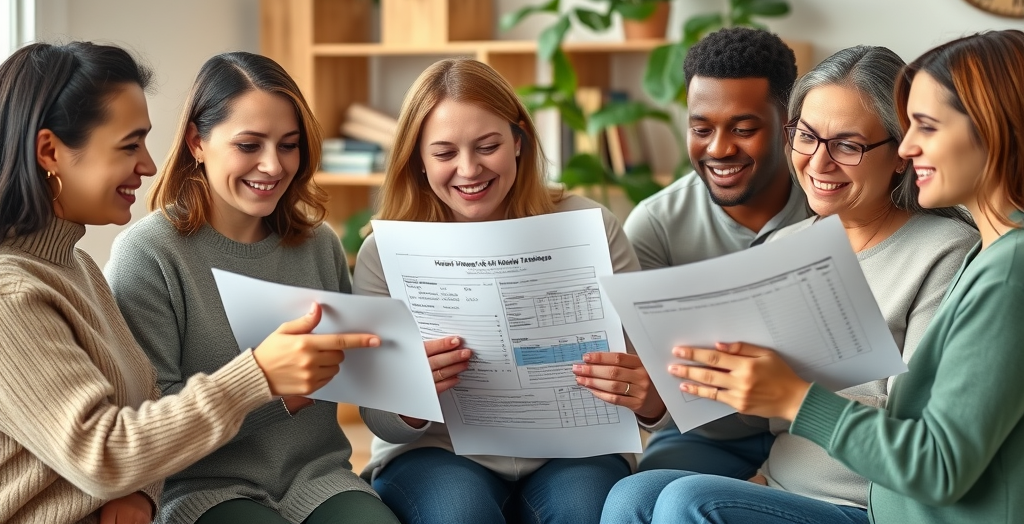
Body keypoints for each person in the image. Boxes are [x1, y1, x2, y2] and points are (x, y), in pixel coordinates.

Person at [627, 30, 1024, 523]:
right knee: (635, 495)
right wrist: (670, 393)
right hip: (782, 483)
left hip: (865, 502)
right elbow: (753, 415)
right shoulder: (787, 246)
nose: (817, 162)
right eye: (807, 136)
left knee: (686, 502)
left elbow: (924, 437)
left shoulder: (953, 254)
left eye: (848, 145)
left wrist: (792, 392)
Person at [0, 42, 380, 524]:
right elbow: (105, 452)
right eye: (129, 144)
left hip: (308, 479)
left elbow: (141, 415)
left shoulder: (74, 268)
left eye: (289, 144)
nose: (149, 164)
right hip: (201, 492)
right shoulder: (15, 293)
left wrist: (140, 493)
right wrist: (261, 377)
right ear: (50, 151)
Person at [352, 58, 662, 524]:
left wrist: (647, 395)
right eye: (443, 153)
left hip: (574, 446)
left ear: (519, 141)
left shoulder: (592, 226)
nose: (468, 169)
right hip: (439, 450)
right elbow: (380, 418)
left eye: (487, 146)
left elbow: (651, 391)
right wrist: (412, 396)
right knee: (459, 516)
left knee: (584, 512)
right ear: (417, 157)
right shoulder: (385, 251)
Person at [104, 52, 399, 524]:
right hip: (203, 488)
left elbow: (361, 378)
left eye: (288, 144)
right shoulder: (148, 254)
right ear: (197, 142)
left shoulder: (319, 244)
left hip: (320, 478)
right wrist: (275, 394)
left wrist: (408, 376)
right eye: (249, 145)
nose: (272, 165)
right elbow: (149, 418)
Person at [625, 27, 810, 476]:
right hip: (707, 437)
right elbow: (649, 388)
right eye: (701, 129)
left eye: (744, 129)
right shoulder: (654, 226)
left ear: (789, 123)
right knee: (635, 500)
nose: (719, 149)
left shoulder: (830, 201)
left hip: (812, 431)